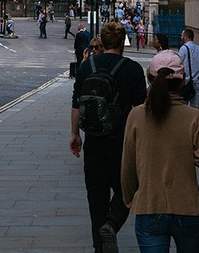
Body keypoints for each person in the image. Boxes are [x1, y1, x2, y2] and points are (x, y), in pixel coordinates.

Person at [122, 50, 199, 253]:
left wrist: (129, 195)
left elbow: (128, 164)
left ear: (150, 80)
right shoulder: (193, 116)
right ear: (182, 83)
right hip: (187, 208)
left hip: (149, 206)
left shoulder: (137, 115)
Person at [70, 21, 147, 253]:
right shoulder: (132, 69)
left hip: (93, 141)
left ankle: (100, 247)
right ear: (123, 41)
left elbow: (76, 104)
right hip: (122, 143)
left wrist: (75, 134)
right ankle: (112, 223)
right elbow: (140, 109)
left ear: (102, 42)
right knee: (128, 188)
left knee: (96, 196)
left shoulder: (86, 67)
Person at [178, 29, 199, 108]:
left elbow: (179, 64)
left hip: (186, 82)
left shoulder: (183, 48)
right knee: (195, 107)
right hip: (197, 82)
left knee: (183, 106)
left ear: (185, 37)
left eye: (182, 35)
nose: (181, 37)